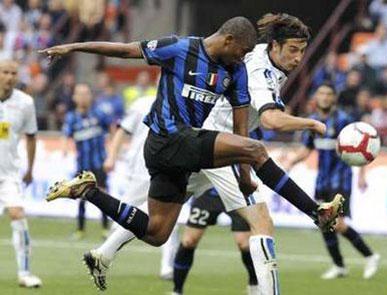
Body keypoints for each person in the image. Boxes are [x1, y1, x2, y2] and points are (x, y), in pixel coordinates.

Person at [41, 16, 343, 295]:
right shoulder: (189, 50)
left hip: (204, 149)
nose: (299, 58)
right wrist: (72, 46)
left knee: (157, 232)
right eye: (293, 50)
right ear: (229, 41)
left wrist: (247, 177)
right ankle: (314, 213)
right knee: (261, 214)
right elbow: (124, 50)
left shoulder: (239, 66)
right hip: (181, 141)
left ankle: (90, 197)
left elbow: (242, 128)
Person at [282, 83, 380, 280]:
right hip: (322, 180)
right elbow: (307, 149)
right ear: (316, 98)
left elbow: (361, 149)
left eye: (328, 94)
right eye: (321, 94)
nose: (325, 97)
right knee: (324, 223)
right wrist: (291, 161)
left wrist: (361, 176)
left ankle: (370, 255)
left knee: (339, 223)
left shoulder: (343, 119)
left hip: (341, 180)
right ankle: (339, 266)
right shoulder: (313, 122)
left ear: (333, 98)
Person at [85, 95, 180, 290]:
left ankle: (167, 267)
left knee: (170, 219)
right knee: (122, 215)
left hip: (166, 169)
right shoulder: (142, 103)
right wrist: (111, 156)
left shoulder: (181, 101)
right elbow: (123, 130)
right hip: (139, 170)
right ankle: (104, 255)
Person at [0, 59, 42, 288]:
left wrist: (30, 169)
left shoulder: (25, 103)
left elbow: (31, 136)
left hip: (9, 175)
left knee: (18, 215)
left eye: (13, 73)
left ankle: (24, 273)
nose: (9, 77)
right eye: (5, 72)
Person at [173, 189, 258, 295]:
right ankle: (177, 290)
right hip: (207, 193)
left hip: (234, 192)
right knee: (188, 241)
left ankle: (254, 282)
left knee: (244, 244)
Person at [62, 83, 111, 239]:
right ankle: (80, 229)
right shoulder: (71, 117)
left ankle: (105, 228)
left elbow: (112, 128)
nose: (83, 97)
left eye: (86, 93)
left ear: (90, 96)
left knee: (103, 194)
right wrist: (64, 149)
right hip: (83, 164)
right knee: (82, 195)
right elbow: (65, 135)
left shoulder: (98, 113)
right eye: (80, 94)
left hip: (99, 163)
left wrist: (112, 151)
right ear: (74, 97)